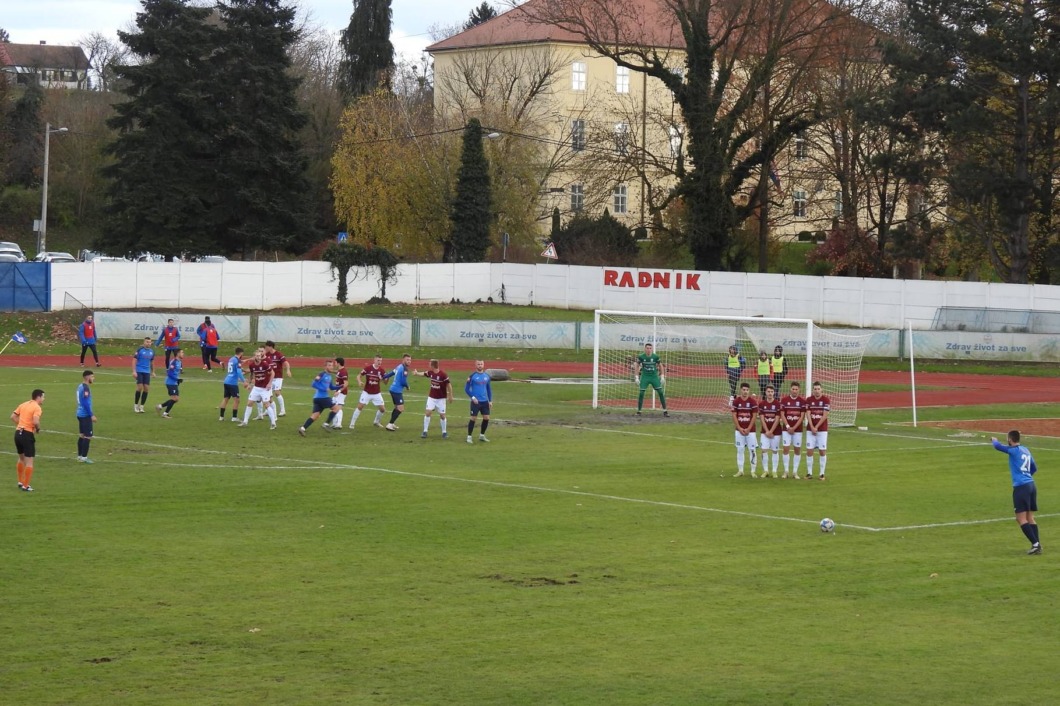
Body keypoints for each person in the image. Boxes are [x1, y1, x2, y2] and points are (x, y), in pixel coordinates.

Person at [991, 430, 1041, 555]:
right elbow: (1034, 468)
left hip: (1021, 487)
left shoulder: (1013, 450)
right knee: (1030, 517)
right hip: (1031, 485)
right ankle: (1037, 545)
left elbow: (997, 446)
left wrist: (994, 440)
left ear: (1010, 439)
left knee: (1021, 518)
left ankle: (1035, 544)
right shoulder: (1026, 449)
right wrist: (1026, 475)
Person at [12, 389, 45, 492]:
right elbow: (35, 421)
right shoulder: (37, 407)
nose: (44, 399)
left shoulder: (24, 404)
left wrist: (21, 425)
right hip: (27, 435)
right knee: (29, 461)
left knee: (21, 458)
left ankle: (20, 481)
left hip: (18, 433)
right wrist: (38, 428)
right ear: (38, 397)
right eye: (43, 397)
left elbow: (13, 416)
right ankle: (26, 486)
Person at [299, 359, 340, 436]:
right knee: (336, 408)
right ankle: (326, 424)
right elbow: (313, 384)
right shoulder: (321, 374)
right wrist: (323, 389)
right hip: (323, 398)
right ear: (325, 366)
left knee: (315, 416)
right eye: (329, 365)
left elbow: (331, 387)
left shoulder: (329, 376)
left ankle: (302, 428)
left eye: (332, 365)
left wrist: (340, 386)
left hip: (317, 399)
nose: (331, 367)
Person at [239, 348, 276, 428]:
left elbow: (273, 373)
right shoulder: (252, 365)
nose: (258, 357)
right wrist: (249, 383)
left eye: (259, 355)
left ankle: (273, 423)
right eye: (257, 356)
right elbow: (252, 374)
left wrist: (269, 383)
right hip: (256, 388)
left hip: (264, 388)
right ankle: (245, 422)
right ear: (254, 357)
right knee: (249, 403)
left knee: (266, 404)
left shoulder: (265, 364)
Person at [348, 354, 387, 430]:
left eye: (381, 361)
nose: (379, 362)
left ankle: (376, 422)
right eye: (378, 360)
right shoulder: (368, 368)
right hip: (367, 392)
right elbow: (359, 376)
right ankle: (352, 424)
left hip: (376, 393)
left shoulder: (382, 370)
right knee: (360, 407)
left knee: (382, 409)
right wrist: (359, 382)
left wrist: (383, 378)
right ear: (374, 360)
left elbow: (385, 382)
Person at [420, 359, 453, 439]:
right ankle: (425, 431)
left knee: (442, 416)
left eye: (429, 364)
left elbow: (449, 385)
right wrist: (416, 373)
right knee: (428, 413)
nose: (428, 365)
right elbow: (424, 373)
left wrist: (450, 395)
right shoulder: (430, 373)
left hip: (441, 399)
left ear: (433, 365)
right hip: (431, 397)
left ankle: (444, 432)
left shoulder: (443, 375)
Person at [635, 343, 669, 417]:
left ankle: (665, 411)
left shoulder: (655, 356)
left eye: (650, 348)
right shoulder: (641, 356)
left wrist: (662, 376)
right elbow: (637, 366)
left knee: (660, 392)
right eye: (647, 348)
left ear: (652, 349)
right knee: (641, 393)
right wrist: (637, 377)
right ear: (645, 349)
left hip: (654, 376)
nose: (649, 350)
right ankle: (639, 411)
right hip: (645, 376)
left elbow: (661, 366)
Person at [731, 382, 758, 477]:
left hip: (751, 431)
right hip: (739, 431)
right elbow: (734, 416)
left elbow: (754, 416)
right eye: (744, 390)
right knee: (740, 450)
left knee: (752, 450)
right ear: (740, 390)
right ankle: (740, 470)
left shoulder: (752, 402)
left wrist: (748, 428)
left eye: (747, 390)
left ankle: (753, 471)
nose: (745, 392)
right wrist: (739, 428)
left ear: (749, 391)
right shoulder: (736, 402)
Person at [780, 381, 807, 479]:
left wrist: (794, 428)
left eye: (796, 389)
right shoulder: (784, 400)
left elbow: (802, 416)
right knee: (786, 449)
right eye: (793, 389)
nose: (794, 391)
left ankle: (795, 472)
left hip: (797, 430)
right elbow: (782, 414)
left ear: (799, 390)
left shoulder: (802, 401)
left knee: (797, 450)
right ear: (790, 389)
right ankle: (786, 471)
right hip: (786, 430)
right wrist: (788, 427)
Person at [805, 381, 830, 480]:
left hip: (822, 430)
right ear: (813, 390)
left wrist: (817, 427)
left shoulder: (826, 400)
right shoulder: (809, 400)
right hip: (810, 430)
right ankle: (809, 473)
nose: (817, 391)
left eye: (818, 389)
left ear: (821, 389)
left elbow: (825, 415)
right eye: (815, 389)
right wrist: (812, 426)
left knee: (822, 451)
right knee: (809, 451)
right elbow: (808, 414)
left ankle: (822, 473)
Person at [383, 353, 415, 431]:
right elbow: (403, 381)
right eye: (407, 360)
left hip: (392, 389)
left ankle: (392, 423)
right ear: (403, 360)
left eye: (410, 360)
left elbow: (391, 373)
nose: (409, 361)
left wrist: (384, 376)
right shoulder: (404, 369)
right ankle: (390, 424)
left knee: (397, 407)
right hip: (396, 390)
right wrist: (407, 386)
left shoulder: (399, 366)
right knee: (400, 408)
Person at [465, 359, 493, 444]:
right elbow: (466, 389)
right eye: (478, 364)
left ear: (483, 365)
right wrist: (473, 398)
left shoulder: (486, 376)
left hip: (485, 401)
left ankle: (482, 435)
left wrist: (490, 400)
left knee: (486, 418)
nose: (480, 365)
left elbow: (488, 389)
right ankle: (469, 436)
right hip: (476, 402)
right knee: (473, 418)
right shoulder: (472, 376)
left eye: (481, 364)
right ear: (475, 365)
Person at [262, 341, 292, 418]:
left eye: (266, 347)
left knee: (277, 392)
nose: (265, 348)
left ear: (270, 346)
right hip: (270, 377)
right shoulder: (266, 355)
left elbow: (286, 363)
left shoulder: (278, 354)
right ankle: (268, 410)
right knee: (268, 394)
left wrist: (288, 370)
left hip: (278, 377)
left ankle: (282, 410)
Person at [757, 384, 781, 478]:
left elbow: (778, 418)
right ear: (765, 393)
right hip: (765, 432)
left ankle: (774, 471)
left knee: (775, 451)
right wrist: (767, 431)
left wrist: (771, 431)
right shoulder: (762, 404)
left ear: (774, 393)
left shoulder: (777, 404)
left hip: (776, 432)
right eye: (768, 392)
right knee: (764, 450)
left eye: (771, 392)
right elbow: (762, 418)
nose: (770, 393)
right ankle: (765, 470)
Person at [219, 347, 246, 422]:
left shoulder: (231, 359)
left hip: (226, 381)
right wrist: (244, 381)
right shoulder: (237, 361)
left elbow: (234, 368)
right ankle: (234, 417)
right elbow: (238, 372)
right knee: (237, 400)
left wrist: (242, 367)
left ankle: (221, 417)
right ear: (241, 353)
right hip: (232, 383)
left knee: (226, 399)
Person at [76, 370, 97, 464]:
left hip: (79, 413)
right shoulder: (85, 388)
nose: (93, 378)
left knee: (82, 435)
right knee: (88, 436)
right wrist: (91, 414)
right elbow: (85, 402)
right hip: (85, 415)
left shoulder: (80, 386)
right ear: (87, 377)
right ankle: (84, 457)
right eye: (92, 377)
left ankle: (79, 456)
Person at [156, 348, 184, 418]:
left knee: (176, 399)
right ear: (177, 354)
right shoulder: (174, 362)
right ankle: (165, 414)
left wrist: (177, 380)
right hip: (170, 382)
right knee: (174, 399)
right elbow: (169, 373)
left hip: (174, 383)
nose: (183, 354)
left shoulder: (179, 362)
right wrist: (177, 379)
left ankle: (160, 406)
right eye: (182, 352)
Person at [131, 335, 155, 413]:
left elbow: (152, 362)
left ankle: (141, 407)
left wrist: (153, 372)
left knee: (146, 388)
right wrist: (134, 371)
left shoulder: (152, 351)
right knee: (140, 387)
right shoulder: (140, 350)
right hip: (139, 370)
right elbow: (134, 360)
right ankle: (135, 405)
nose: (148, 343)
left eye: (149, 342)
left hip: (147, 371)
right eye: (147, 342)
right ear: (144, 342)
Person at [324, 356, 349, 429]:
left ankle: (338, 424)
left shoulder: (343, 372)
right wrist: (329, 370)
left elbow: (346, 383)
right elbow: (337, 373)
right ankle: (335, 423)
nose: (334, 364)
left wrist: (339, 391)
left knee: (338, 407)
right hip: (338, 391)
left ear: (338, 363)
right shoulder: (340, 371)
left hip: (341, 393)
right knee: (332, 406)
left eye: (335, 362)